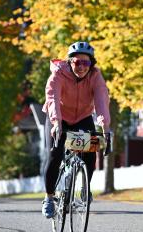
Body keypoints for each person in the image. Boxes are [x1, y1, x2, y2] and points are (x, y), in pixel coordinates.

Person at [41, 41, 111, 218]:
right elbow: (52, 98)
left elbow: (102, 101)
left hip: (82, 118)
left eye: (86, 63)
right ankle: (49, 198)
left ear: (91, 64)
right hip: (58, 117)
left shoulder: (95, 76)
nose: (81, 67)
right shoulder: (58, 74)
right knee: (55, 154)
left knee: (90, 152)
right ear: (70, 62)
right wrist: (56, 123)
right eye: (77, 62)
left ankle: (84, 187)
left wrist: (105, 127)